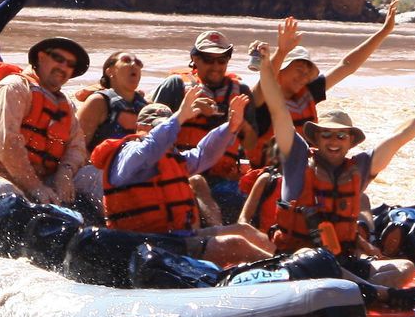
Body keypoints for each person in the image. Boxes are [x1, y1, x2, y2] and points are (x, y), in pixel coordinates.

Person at [255, 17, 415, 282]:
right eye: (326, 135)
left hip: (341, 263)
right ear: (315, 139)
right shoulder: (297, 157)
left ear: (350, 142)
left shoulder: (359, 167)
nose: (333, 141)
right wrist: (268, 62)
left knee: (405, 269)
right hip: (298, 264)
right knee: (317, 261)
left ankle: (360, 289)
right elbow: (276, 107)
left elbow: (399, 138)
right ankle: (369, 292)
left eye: (341, 136)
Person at [91, 91, 273, 266]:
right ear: (140, 128)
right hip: (144, 244)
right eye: (157, 126)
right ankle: (286, 274)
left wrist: (230, 127)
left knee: (244, 231)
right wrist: (178, 117)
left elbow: (203, 154)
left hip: (177, 236)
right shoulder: (129, 154)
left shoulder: (173, 157)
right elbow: (151, 146)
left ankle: (286, 260)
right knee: (233, 244)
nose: (169, 134)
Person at [240, 0, 401, 167]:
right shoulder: (262, 98)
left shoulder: (308, 92)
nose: (304, 76)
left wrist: (384, 31)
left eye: (307, 72)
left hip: (303, 169)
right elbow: (266, 81)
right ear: (281, 70)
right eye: (299, 69)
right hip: (269, 172)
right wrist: (282, 51)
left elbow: (347, 65)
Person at [0, 36, 88, 206]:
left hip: (43, 180)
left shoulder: (66, 104)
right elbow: (6, 141)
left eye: (70, 64)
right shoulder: (14, 87)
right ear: (41, 57)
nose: (63, 67)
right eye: (58, 58)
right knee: (7, 198)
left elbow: (77, 147)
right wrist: (35, 186)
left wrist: (64, 173)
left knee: (92, 176)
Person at [149, 30, 250, 223]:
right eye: (208, 60)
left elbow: (252, 143)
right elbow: (149, 132)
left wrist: (238, 122)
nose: (215, 66)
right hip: (179, 173)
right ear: (194, 58)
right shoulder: (175, 85)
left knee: (239, 197)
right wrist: (187, 112)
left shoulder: (241, 92)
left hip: (222, 178)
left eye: (221, 61)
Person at [74, 51, 148, 151]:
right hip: (98, 165)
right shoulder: (98, 102)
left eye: (138, 63)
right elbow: (76, 147)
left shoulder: (145, 106)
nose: (134, 64)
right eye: (126, 60)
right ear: (110, 71)